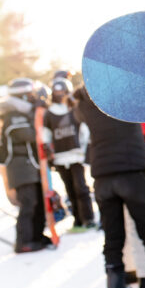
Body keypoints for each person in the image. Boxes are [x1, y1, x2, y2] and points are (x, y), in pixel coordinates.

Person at [73, 86, 145, 288]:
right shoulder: (131, 94)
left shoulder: (84, 103)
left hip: (103, 175)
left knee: (112, 234)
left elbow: (78, 118)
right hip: (132, 171)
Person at [0, 78, 50, 253]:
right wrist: (35, 111)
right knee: (29, 203)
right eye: (31, 95)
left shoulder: (24, 113)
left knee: (39, 203)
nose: (34, 98)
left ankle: (37, 236)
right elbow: (29, 135)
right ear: (23, 96)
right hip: (20, 168)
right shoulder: (13, 115)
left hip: (31, 166)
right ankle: (23, 242)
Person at [43, 76, 96, 231]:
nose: (60, 95)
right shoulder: (49, 113)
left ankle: (88, 218)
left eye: (62, 92)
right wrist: (48, 150)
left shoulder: (74, 109)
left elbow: (84, 130)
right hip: (60, 157)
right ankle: (77, 219)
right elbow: (46, 134)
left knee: (81, 188)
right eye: (57, 92)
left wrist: (83, 150)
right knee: (70, 190)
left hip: (76, 155)